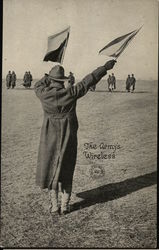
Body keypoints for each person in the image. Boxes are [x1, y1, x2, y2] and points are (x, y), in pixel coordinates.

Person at [34, 59, 116, 216]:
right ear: (63, 80)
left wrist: (48, 76)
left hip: (49, 136)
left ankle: (54, 206)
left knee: (51, 168)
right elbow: (89, 80)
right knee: (66, 169)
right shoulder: (71, 93)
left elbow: (38, 85)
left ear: (51, 80)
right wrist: (105, 67)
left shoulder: (44, 94)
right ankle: (65, 206)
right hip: (68, 137)